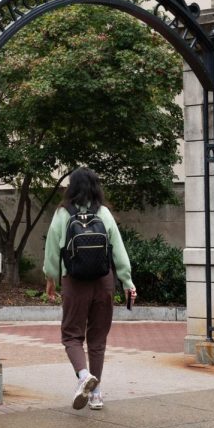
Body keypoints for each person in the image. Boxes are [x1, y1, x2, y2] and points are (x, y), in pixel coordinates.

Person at [43, 167, 136, 411]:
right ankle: (96, 395)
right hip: (103, 281)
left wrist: (51, 278)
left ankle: (84, 377)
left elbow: (52, 248)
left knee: (71, 335)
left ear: (71, 187)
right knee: (98, 338)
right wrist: (127, 281)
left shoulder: (63, 214)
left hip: (74, 281)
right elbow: (118, 249)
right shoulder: (104, 213)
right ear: (96, 187)